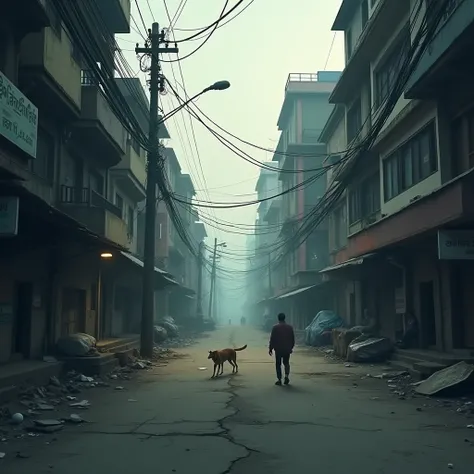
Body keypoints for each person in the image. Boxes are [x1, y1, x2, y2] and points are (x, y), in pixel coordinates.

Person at [269, 313, 295, 386]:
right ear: (284, 318)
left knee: (278, 364)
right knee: (286, 363)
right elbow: (292, 339)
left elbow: (272, 339)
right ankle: (286, 376)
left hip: (278, 349)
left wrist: (270, 348)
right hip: (287, 348)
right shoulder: (290, 327)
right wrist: (291, 347)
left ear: (278, 318)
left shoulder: (275, 327)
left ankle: (279, 379)